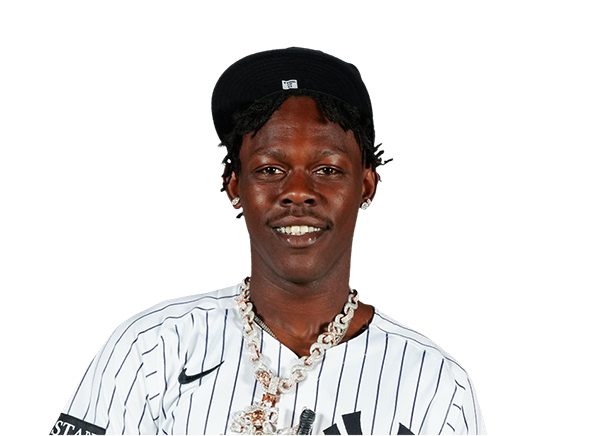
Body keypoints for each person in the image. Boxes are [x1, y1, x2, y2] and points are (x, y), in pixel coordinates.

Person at [51, 48, 486, 436]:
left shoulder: (434, 384)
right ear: (235, 187)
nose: (298, 190)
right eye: (270, 170)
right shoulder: (154, 349)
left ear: (367, 186)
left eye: (328, 169)